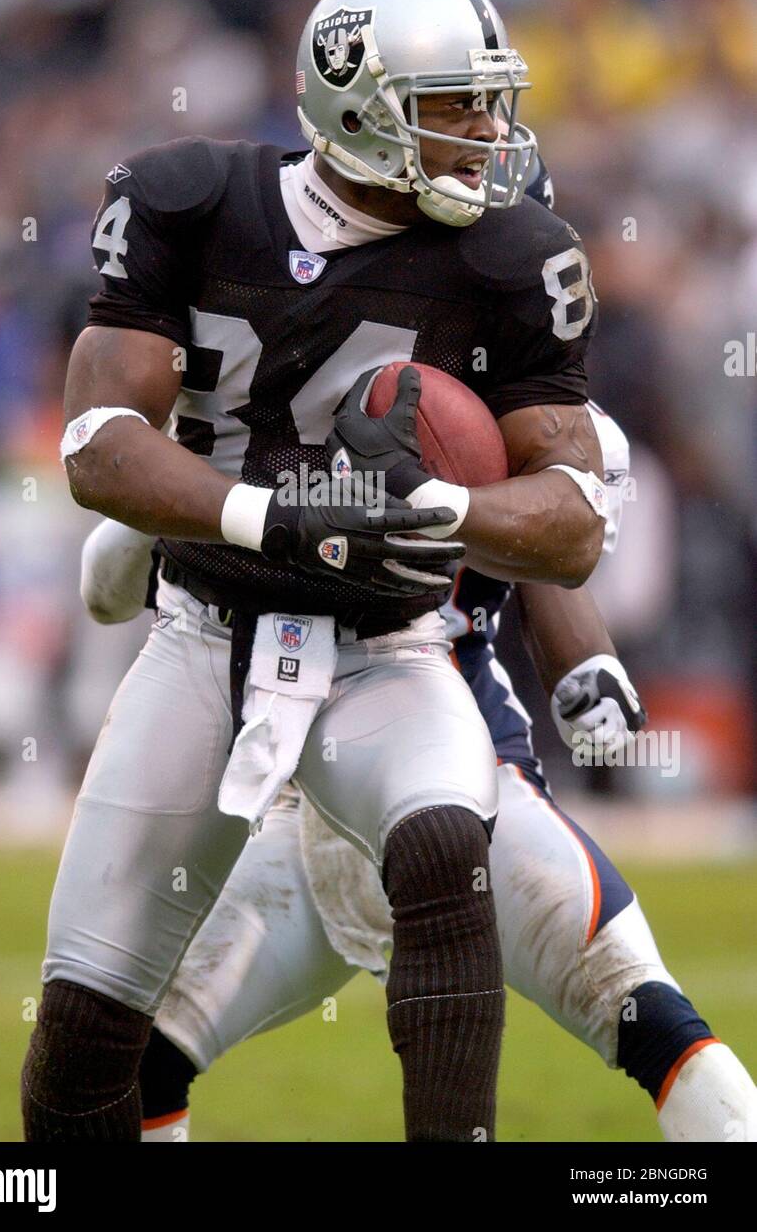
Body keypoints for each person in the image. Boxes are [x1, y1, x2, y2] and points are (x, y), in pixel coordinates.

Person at [22, 0, 607, 1143]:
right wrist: (270, 516)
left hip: (388, 650)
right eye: (457, 104)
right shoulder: (190, 200)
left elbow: (574, 523)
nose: (490, 134)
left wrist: (436, 507)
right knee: (87, 1021)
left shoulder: (512, 256)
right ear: (360, 103)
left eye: (492, 103)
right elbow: (97, 445)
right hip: (203, 635)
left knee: (448, 843)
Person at [81, 405, 754, 1143]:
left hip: (467, 790)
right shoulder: (256, 389)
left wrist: (587, 669)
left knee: (648, 1016)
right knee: (136, 1061)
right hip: (301, 806)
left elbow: (554, 565)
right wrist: (164, 501)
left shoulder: (535, 412)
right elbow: (104, 590)